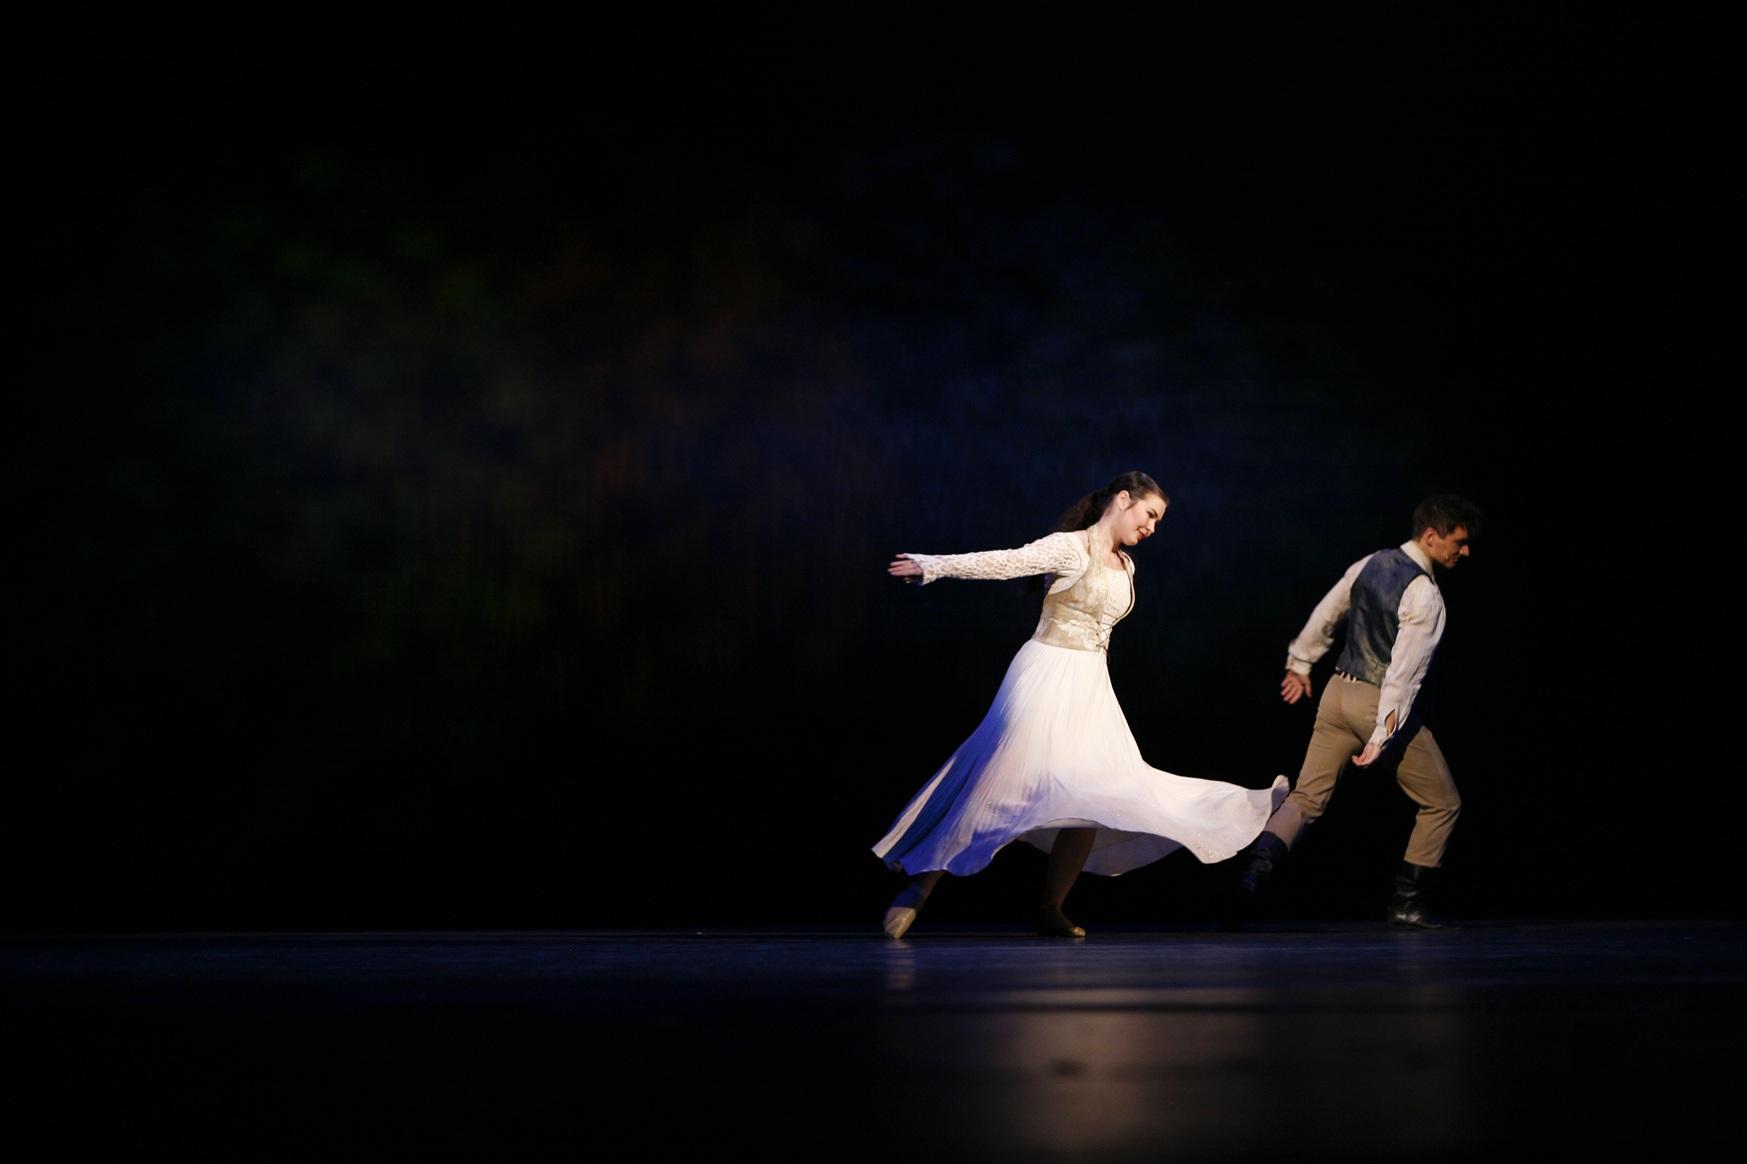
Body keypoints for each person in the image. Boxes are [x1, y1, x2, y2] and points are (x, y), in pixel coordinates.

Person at [874, 472, 1287, 939]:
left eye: (1158, 521)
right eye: (1149, 514)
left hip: (1091, 685)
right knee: (995, 779)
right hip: (1046, 671)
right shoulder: (1071, 548)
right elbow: (1008, 562)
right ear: (1123, 499)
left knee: (1096, 793)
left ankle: (1052, 906)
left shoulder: (1126, 565)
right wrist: (933, 566)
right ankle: (921, 886)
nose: (1152, 527)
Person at [1235, 494, 1482, 928]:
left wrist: (1300, 663)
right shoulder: (1425, 594)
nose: (1464, 552)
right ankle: (1406, 902)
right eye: (1458, 542)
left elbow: (1328, 611)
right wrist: (1382, 735)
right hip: (1376, 702)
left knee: (1306, 799)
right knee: (1443, 802)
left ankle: (1250, 879)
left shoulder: (1370, 563)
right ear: (1431, 536)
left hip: (1336, 694)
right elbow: (1404, 673)